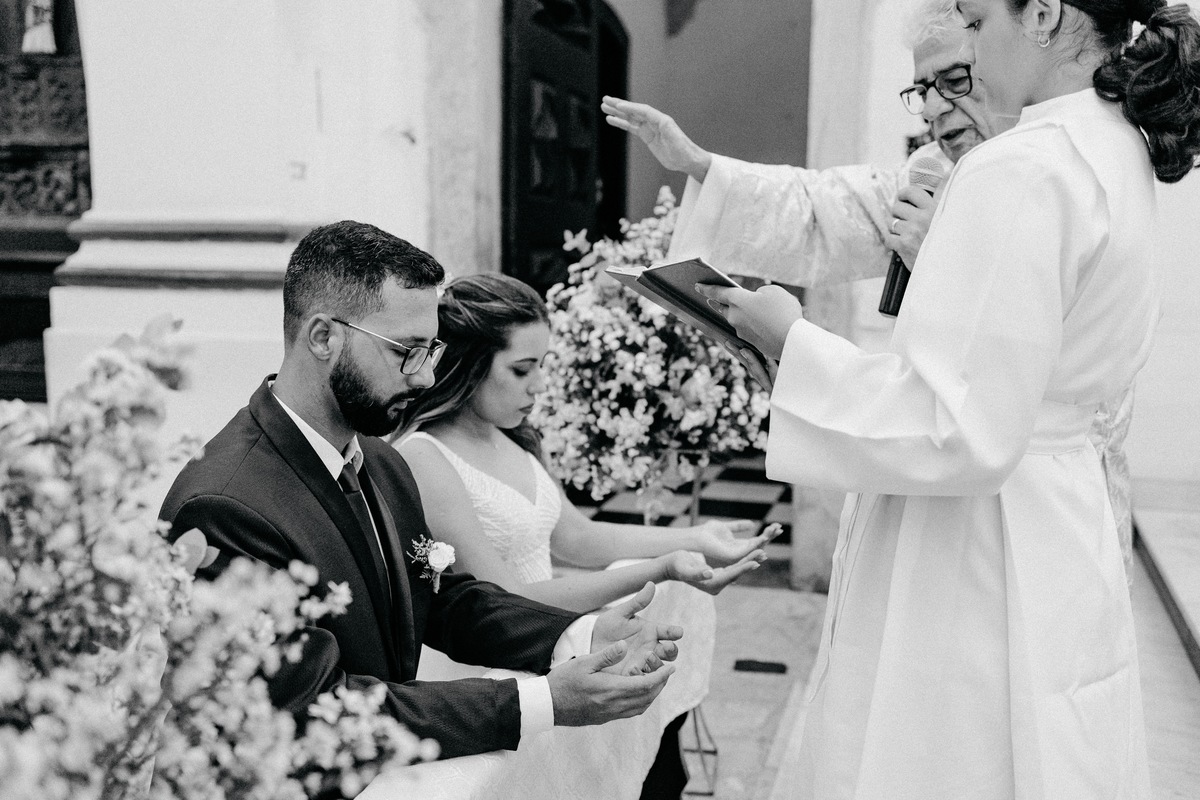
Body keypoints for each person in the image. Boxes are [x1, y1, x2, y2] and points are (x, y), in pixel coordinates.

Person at [692, 1, 1200, 797]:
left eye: (973, 15)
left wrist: (791, 339)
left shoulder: (1024, 164)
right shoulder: (1115, 149)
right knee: (1045, 744)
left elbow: (953, 422)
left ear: (1040, 15)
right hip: (1058, 515)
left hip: (974, 533)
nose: (970, 36)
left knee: (941, 751)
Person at [601, 0, 1136, 560]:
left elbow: (1013, 379)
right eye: (921, 89)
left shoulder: (1051, 173)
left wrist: (945, 259)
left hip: (1028, 508)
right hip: (927, 480)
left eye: (953, 79)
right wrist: (700, 165)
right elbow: (820, 211)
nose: (932, 108)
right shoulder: (934, 171)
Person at [160, 220, 685, 761]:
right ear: (323, 337)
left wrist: (579, 637)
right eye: (405, 351)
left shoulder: (382, 463)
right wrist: (542, 701)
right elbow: (311, 705)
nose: (425, 379)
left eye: (430, 351)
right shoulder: (224, 507)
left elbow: (443, 601)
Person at [390, 273, 779, 798]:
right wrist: (662, 567)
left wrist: (695, 537)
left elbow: (577, 538)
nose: (537, 385)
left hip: (552, 646)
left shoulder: (518, 436)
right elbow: (507, 598)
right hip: (492, 667)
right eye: (522, 369)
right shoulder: (423, 455)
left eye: (543, 366)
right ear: (470, 366)